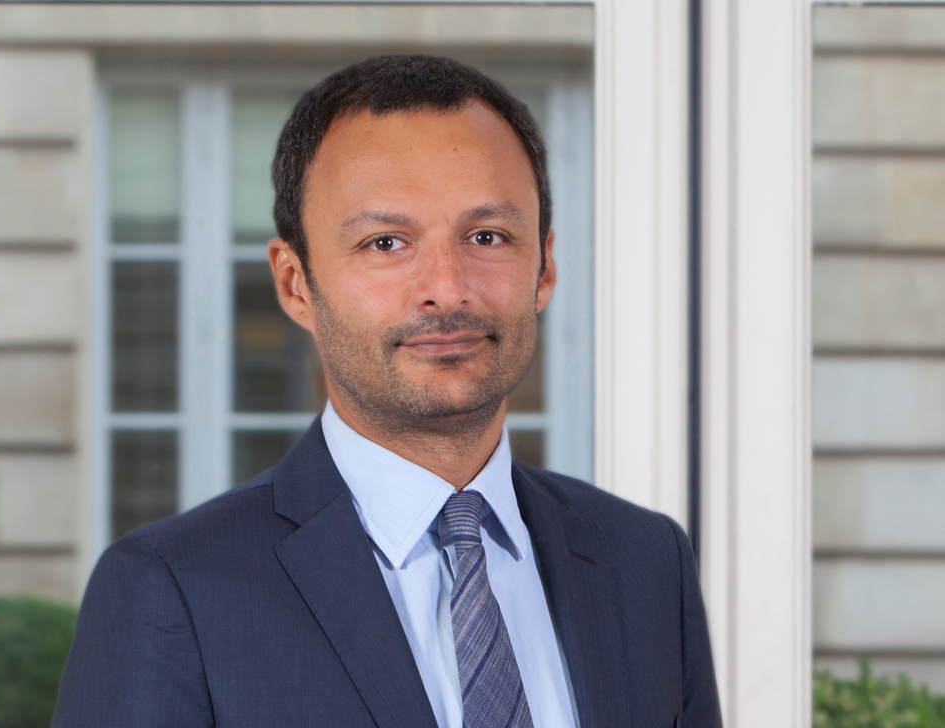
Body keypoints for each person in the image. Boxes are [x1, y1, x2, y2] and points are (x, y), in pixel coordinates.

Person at [53, 55, 722, 728]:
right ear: (294, 283)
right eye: (385, 243)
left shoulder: (647, 563)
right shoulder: (172, 590)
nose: (447, 288)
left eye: (487, 236)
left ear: (544, 267)